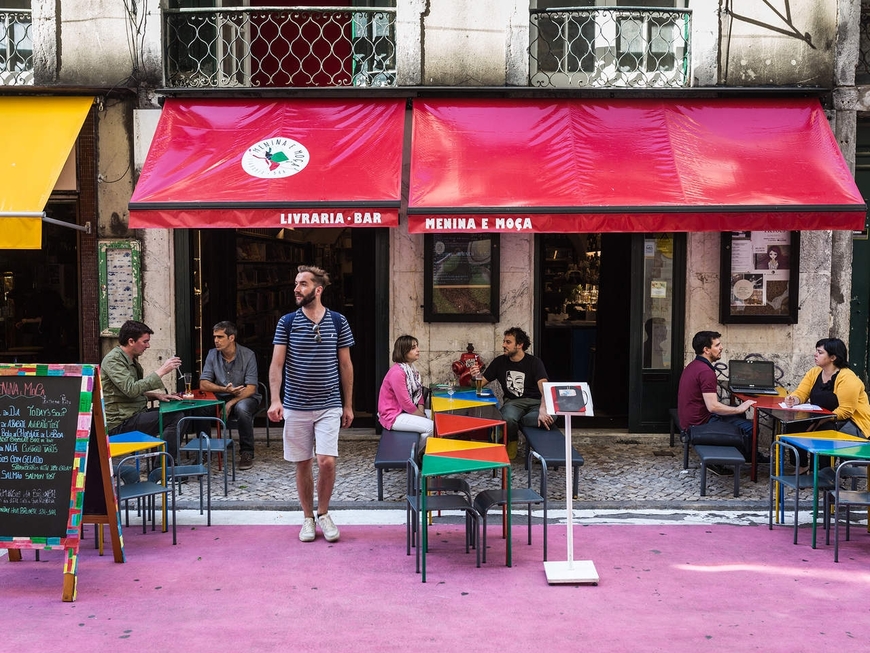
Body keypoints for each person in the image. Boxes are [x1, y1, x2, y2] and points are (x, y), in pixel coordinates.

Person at [268, 265, 354, 543]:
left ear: (318, 289)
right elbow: (276, 364)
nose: (296, 288)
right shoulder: (287, 322)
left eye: (303, 284)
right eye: (296, 283)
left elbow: (345, 364)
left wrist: (348, 405)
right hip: (295, 405)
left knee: (326, 461)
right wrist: (274, 399)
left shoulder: (339, 321)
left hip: (329, 404)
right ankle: (307, 518)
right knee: (302, 463)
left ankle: (324, 513)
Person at [101, 320, 183, 482]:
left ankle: (160, 467)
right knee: (175, 418)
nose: (148, 346)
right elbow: (130, 389)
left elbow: (132, 391)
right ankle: (162, 471)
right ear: (131, 341)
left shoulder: (130, 359)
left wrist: (156, 396)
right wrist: (161, 371)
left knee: (175, 412)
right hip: (120, 423)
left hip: (134, 414)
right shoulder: (113, 361)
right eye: (145, 341)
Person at [677, 330, 768, 473]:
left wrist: (737, 410)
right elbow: (712, 407)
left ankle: (747, 454)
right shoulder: (706, 372)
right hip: (699, 424)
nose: (721, 348)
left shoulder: (694, 365)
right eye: (717, 345)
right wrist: (740, 408)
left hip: (691, 419)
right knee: (751, 427)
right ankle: (728, 459)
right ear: (706, 350)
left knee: (738, 416)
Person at [784, 338, 870, 472]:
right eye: (816, 351)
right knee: (793, 424)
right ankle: (802, 465)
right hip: (822, 417)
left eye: (820, 352)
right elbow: (802, 392)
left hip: (851, 423)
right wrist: (793, 399)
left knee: (824, 429)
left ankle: (823, 472)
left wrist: (820, 421)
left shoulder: (847, 378)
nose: (815, 354)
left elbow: (845, 411)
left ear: (833, 357)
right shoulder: (814, 372)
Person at [470, 327, 553, 460]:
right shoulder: (499, 362)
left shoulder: (534, 362)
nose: (503, 345)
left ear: (520, 345)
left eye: (508, 342)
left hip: (536, 402)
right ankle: (512, 440)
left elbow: (544, 387)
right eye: (504, 341)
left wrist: (543, 408)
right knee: (508, 416)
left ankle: (517, 424)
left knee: (548, 417)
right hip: (513, 402)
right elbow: (478, 386)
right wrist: (476, 376)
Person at [199, 321, 260, 471]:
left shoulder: (248, 355)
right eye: (214, 337)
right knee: (201, 408)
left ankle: (247, 453)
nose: (216, 341)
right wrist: (224, 389)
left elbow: (251, 388)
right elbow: (203, 384)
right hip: (221, 395)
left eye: (220, 337)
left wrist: (230, 402)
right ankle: (204, 450)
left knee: (242, 408)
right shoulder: (212, 354)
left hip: (244, 396)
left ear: (231, 338)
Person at [377, 335, 434, 448]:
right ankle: (411, 455)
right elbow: (405, 403)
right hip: (393, 414)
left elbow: (419, 395)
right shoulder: (398, 372)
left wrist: (421, 412)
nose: (418, 350)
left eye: (417, 346)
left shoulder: (412, 370)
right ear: (404, 351)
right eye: (413, 348)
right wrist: (421, 416)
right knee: (431, 427)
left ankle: (419, 453)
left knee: (437, 418)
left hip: (406, 412)